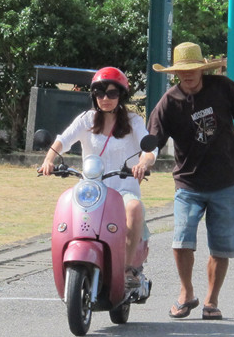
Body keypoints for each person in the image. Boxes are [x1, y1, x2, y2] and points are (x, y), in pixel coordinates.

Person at [147, 42, 234, 320]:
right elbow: (153, 142)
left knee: (221, 246)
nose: (189, 74)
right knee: (181, 240)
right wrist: (146, 159)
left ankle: (211, 300)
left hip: (226, 181)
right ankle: (186, 293)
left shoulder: (223, 88)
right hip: (188, 184)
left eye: (194, 69)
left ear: (202, 69)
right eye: (183, 71)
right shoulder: (169, 102)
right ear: (175, 73)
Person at [38, 67, 156, 288]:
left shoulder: (133, 121)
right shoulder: (87, 119)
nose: (105, 99)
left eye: (112, 93)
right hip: (92, 189)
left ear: (121, 95)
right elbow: (63, 140)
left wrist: (143, 163)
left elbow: (150, 149)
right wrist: (49, 160)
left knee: (134, 208)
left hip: (122, 190)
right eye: (100, 93)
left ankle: (127, 268)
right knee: (67, 210)